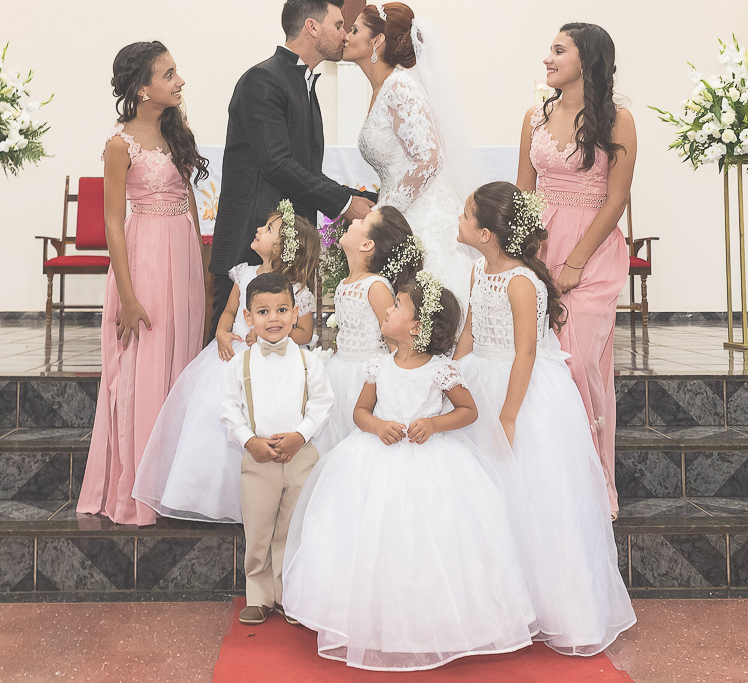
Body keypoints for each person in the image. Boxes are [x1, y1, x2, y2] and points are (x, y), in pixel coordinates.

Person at [283, 273, 538, 671]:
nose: (388, 308)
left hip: (432, 463)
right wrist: (378, 425)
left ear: (417, 326)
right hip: (374, 459)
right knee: (372, 540)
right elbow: (360, 412)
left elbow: (468, 411)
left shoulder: (440, 370)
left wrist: (434, 424)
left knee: (425, 542)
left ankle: (428, 623)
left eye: (398, 305)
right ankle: (373, 620)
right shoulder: (378, 365)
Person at [455, 181, 636, 656]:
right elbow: (470, 332)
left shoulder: (523, 282)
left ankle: (549, 604)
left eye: (466, 214)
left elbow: (527, 352)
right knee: (485, 498)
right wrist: (450, 381)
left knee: (534, 499)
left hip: (523, 394)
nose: (459, 219)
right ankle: (494, 602)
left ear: (487, 233)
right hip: (480, 380)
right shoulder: (478, 272)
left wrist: (509, 415)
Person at [77, 42, 207, 526]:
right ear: (142, 87)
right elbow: (113, 223)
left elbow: (189, 201)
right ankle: (138, 490)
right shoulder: (119, 145)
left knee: (180, 365)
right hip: (145, 259)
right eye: (169, 73)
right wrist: (128, 298)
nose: (180, 80)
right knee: (145, 370)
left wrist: (201, 267)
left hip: (183, 259)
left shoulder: (179, 133)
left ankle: (176, 483)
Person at [133, 201, 320, 522]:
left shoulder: (295, 289)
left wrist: (275, 334)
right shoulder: (244, 273)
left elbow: (304, 331)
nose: (259, 230)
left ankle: (263, 498)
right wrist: (221, 332)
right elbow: (230, 313)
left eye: (269, 229)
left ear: (282, 248)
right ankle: (212, 496)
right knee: (211, 415)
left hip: (270, 365)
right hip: (229, 359)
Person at [516, 23, 637, 516]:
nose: (547, 58)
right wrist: (517, 257)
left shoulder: (617, 120)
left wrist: (576, 262)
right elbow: (523, 193)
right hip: (540, 248)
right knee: (539, 362)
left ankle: (592, 483)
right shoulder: (533, 117)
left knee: (581, 363)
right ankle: (546, 480)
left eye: (558, 51)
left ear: (586, 61)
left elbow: (616, 199)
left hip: (592, 250)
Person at [209, 0, 376, 335]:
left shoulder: (302, 83)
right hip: (253, 243)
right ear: (312, 28)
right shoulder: (264, 80)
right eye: (339, 24)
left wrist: (363, 199)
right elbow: (276, 164)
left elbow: (305, 171)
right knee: (233, 350)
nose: (345, 34)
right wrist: (345, 203)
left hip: (286, 246)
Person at [341, 1, 479, 308]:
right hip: (399, 212)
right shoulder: (382, 89)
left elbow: (428, 159)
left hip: (421, 213)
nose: (346, 37)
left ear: (376, 41)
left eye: (354, 30)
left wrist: (384, 212)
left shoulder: (400, 86)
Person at [220, 273, 334, 626]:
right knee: (258, 528)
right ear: (248, 318)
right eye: (264, 311)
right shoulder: (239, 364)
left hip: (301, 458)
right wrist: (248, 440)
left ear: (296, 312)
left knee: (290, 527)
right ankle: (258, 594)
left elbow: (321, 403)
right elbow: (228, 409)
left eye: (282, 310)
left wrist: (301, 435)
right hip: (258, 460)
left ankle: (288, 595)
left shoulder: (308, 360)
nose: (273, 319)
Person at [310, 206, 423, 456]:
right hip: (340, 371)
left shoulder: (376, 286)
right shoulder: (344, 284)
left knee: (358, 444)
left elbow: (395, 342)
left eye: (363, 220)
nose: (355, 219)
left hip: (364, 378)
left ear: (366, 245)